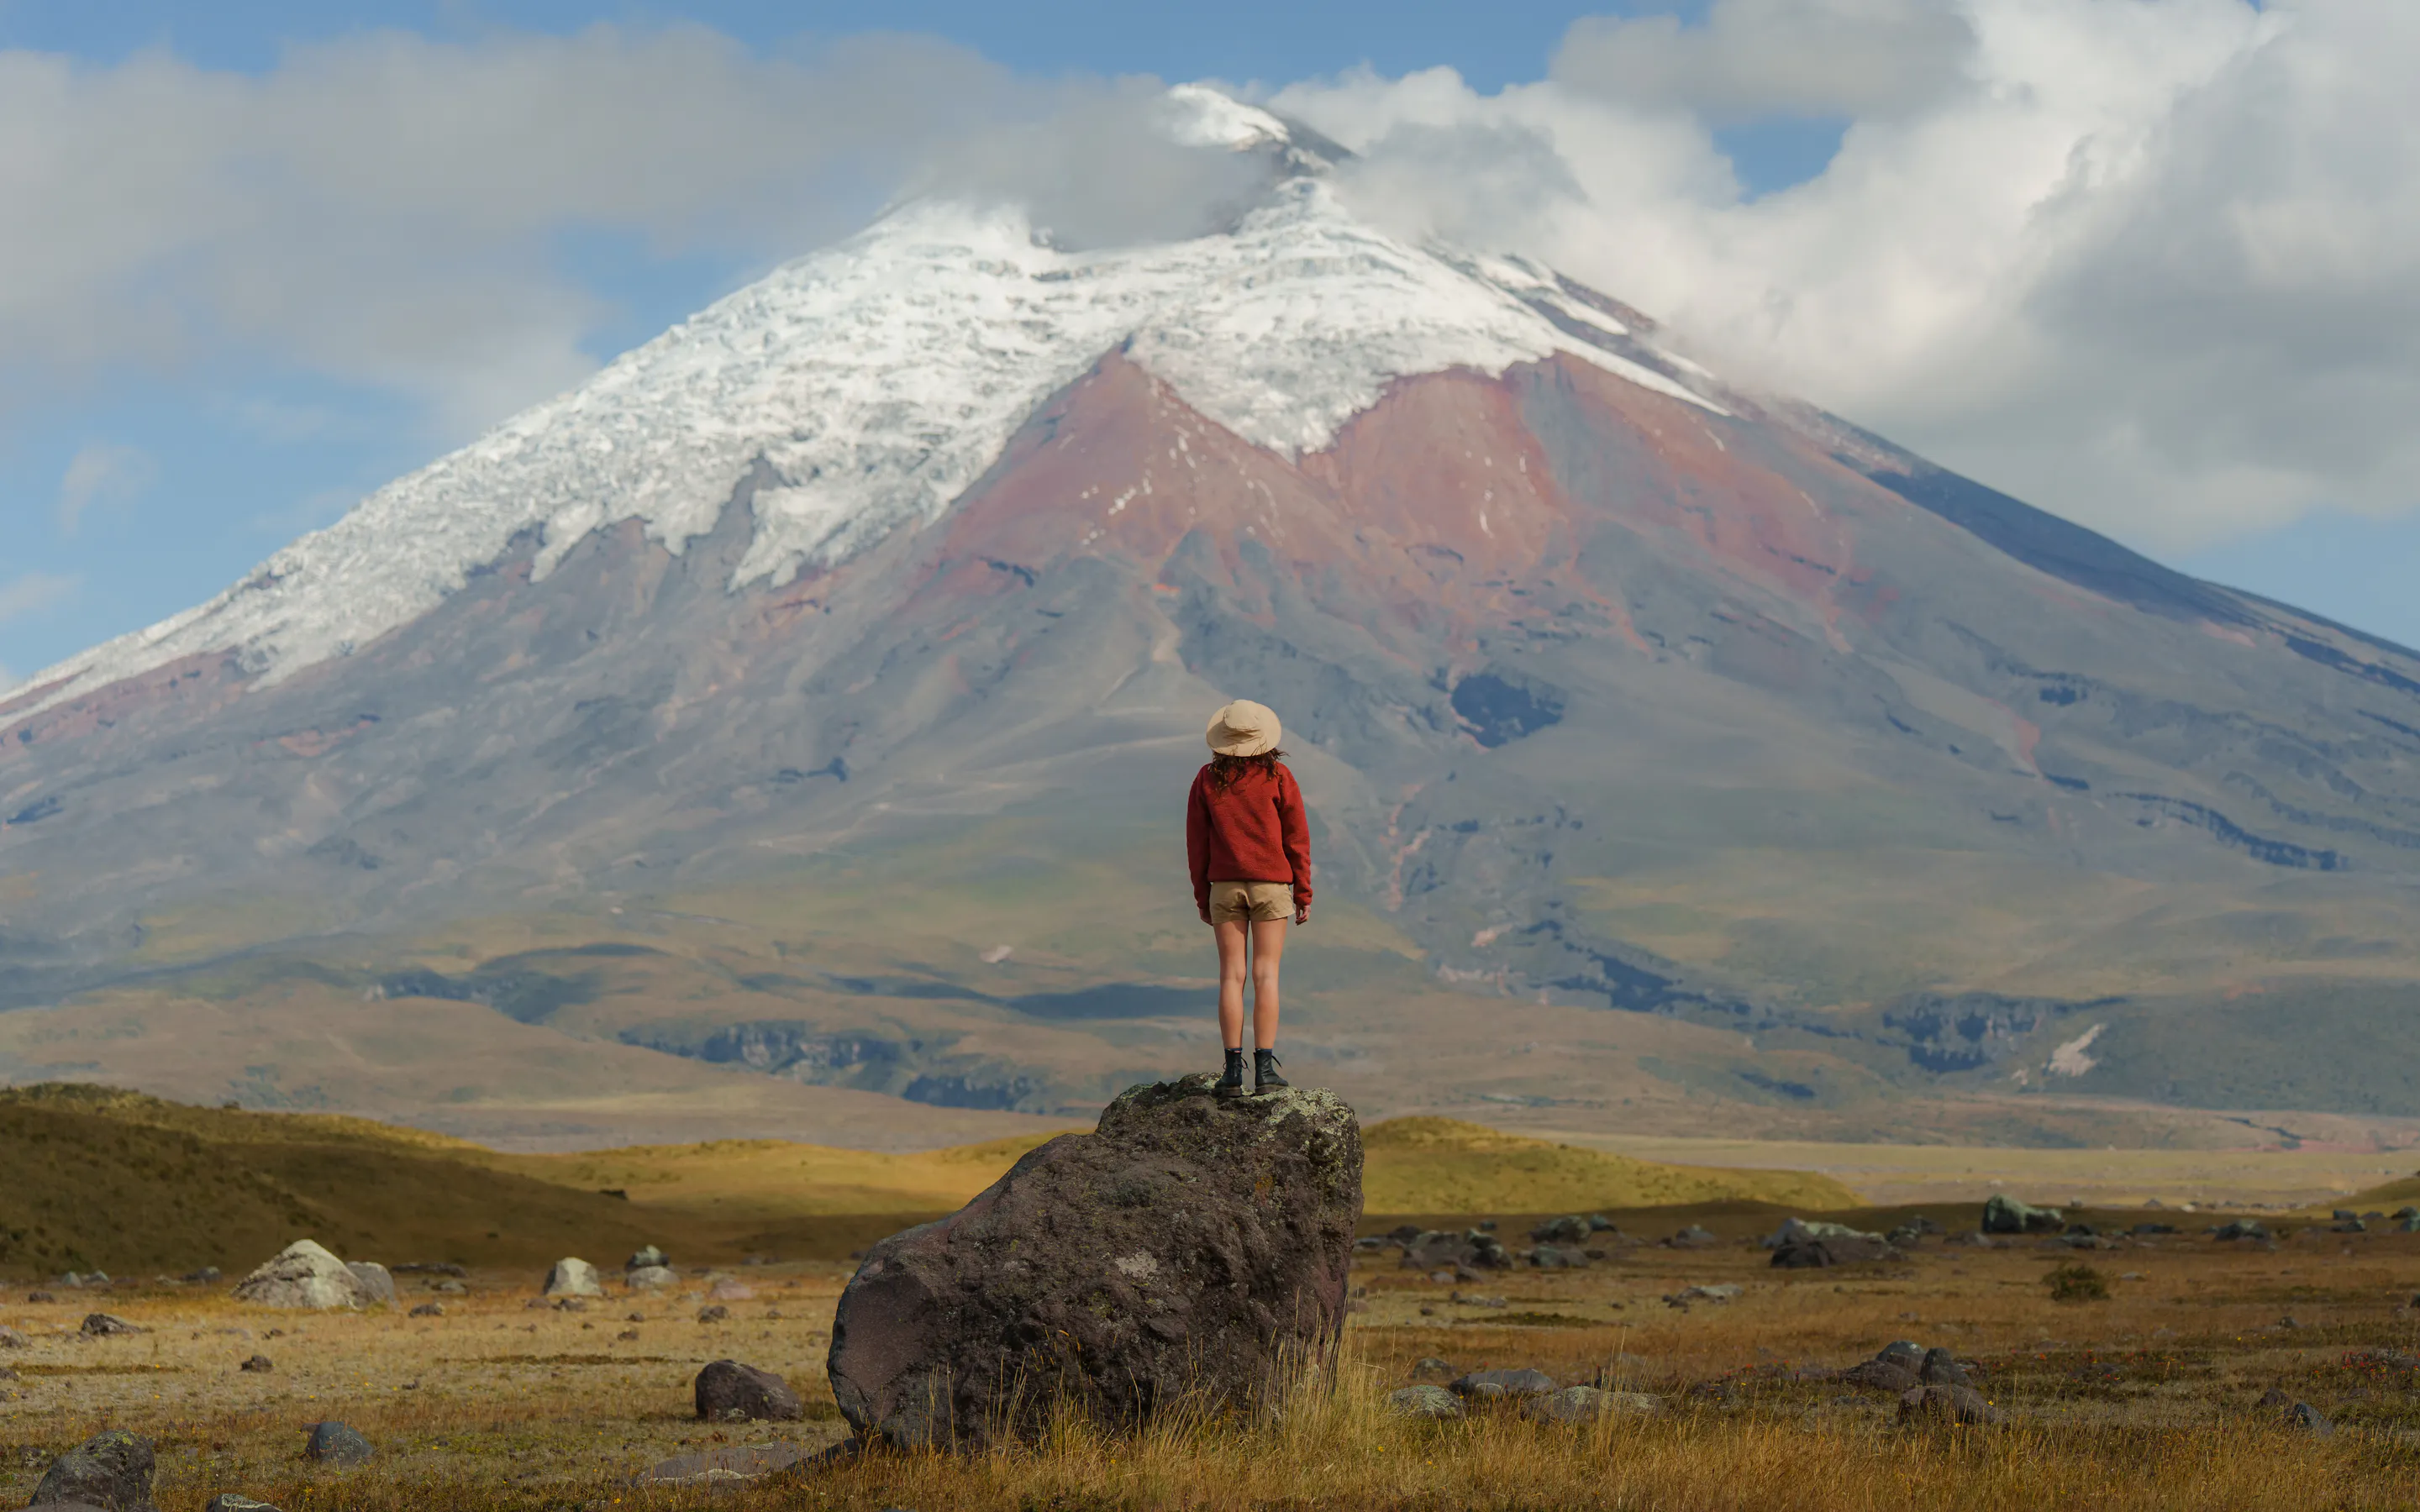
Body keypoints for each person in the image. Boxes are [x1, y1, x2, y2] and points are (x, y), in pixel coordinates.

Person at [1186, 699, 1312, 1096]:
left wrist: (1202, 897)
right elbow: (1297, 839)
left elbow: (1197, 846)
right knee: (1266, 975)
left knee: (1231, 976)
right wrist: (1304, 890)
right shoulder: (1279, 777)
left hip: (1223, 886)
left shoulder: (1206, 780)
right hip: (1272, 887)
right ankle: (1265, 1072)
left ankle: (1230, 1073)